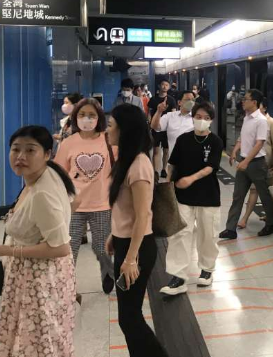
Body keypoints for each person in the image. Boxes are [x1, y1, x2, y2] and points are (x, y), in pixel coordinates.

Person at [0, 126, 76, 357]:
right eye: (15, 149)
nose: (20, 156)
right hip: (41, 275)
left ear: (47, 154)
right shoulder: (45, 175)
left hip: (37, 280)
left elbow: (60, 247)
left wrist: (7, 250)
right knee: (38, 338)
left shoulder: (42, 192)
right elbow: (74, 201)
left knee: (35, 342)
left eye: (30, 150)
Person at [105, 104, 168, 357]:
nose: (107, 130)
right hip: (125, 242)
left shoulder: (139, 165)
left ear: (125, 130)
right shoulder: (126, 160)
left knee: (130, 318)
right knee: (128, 318)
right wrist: (114, 234)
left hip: (138, 247)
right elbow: (126, 208)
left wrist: (131, 258)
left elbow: (143, 215)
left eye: (111, 125)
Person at [55, 98, 116, 302]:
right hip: (74, 206)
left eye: (91, 115)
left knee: (102, 248)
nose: (86, 119)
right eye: (82, 115)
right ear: (75, 118)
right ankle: (67, 285)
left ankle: (108, 273)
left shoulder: (108, 140)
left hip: (102, 204)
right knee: (69, 250)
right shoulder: (68, 143)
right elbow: (59, 173)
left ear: (99, 118)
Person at [160, 102, 224, 295]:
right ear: (193, 117)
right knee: (179, 235)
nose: (202, 120)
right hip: (183, 197)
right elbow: (172, 164)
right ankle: (178, 277)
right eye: (198, 117)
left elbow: (211, 167)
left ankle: (207, 270)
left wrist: (191, 179)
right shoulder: (183, 139)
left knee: (208, 235)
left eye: (206, 118)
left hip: (208, 196)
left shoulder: (215, 141)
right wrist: (168, 187)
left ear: (211, 120)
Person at [221, 89, 273, 240]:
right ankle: (230, 229)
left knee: (264, 195)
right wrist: (235, 150)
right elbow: (242, 137)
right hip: (244, 161)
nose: (243, 101)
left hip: (256, 163)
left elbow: (259, 144)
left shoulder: (261, 120)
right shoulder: (246, 117)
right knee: (237, 196)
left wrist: (246, 162)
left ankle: (270, 224)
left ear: (254, 102)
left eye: (246, 99)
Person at [236, 101, 273, 229]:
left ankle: (245, 218)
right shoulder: (249, 120)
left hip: (264, 162)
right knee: (262, 189)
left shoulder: (271, 122)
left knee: (255, 189)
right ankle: (272, 212)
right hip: (251, 160)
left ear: (264, 108)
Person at [151, 90, 195, 159]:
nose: (191, 102)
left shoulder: (196, 118)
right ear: (179, 102)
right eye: (188, 100)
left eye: (192, 100)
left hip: (192, 159)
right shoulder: (170, 116)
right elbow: (155, 126)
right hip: (173, 160)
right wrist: (159, 111)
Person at [148, 79, 177, 179]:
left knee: (166, 150)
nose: (165, 86)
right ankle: (155, 171)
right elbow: (149, 113)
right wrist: (149, 124)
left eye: (167, 85)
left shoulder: (171, 100)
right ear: (159, 86)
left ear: (169, 87)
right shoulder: (153, 99)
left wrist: (172, 126)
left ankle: (164, 169)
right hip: (156, 128)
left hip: (167, 129)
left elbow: (173, 114)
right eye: (163, 84)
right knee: (156, 150)